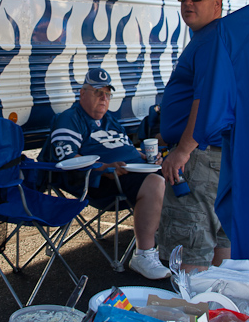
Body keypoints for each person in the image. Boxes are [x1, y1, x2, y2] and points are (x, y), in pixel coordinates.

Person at [45, 68, 170, 279]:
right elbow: (67, 159)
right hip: (100, 180)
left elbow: (125, 148)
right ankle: (144, 255)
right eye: (98, 92)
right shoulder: (70, 118)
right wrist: (102, 168)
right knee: (155, 183)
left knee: (174, 172)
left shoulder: (110, 120)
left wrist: (145, 157)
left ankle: (170, 239)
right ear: (82, 93)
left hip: (131, 172)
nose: (104, 98)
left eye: (107, 94)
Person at [158, 0, 231, 272]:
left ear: (217, 3)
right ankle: (217, 302)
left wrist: (183, 150)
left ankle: (192, 303)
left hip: (199, 157)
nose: (188, 2)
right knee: (219, 239)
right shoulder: (213, 37)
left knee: (191, 248)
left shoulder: (211, 40)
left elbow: (206, 99)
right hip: (216, 154)